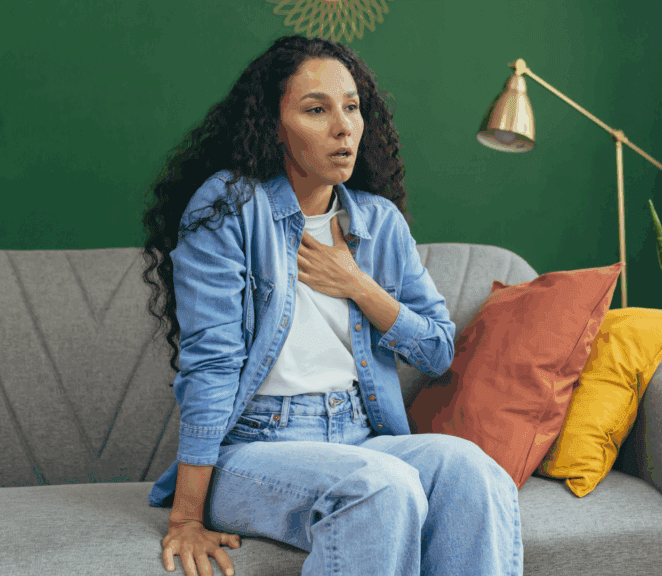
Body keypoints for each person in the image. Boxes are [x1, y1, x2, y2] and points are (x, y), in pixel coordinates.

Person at [140, 35, 523, 576]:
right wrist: (185, 518)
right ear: (273, 125)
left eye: (351, 108)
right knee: (380, 488)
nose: (343, 127)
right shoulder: (230, 207)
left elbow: (437, 349)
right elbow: (213, 364)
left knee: (475, 472)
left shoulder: (379, 220)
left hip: (361, 435)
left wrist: (357, 285)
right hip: (255, 448)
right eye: (315, 110)